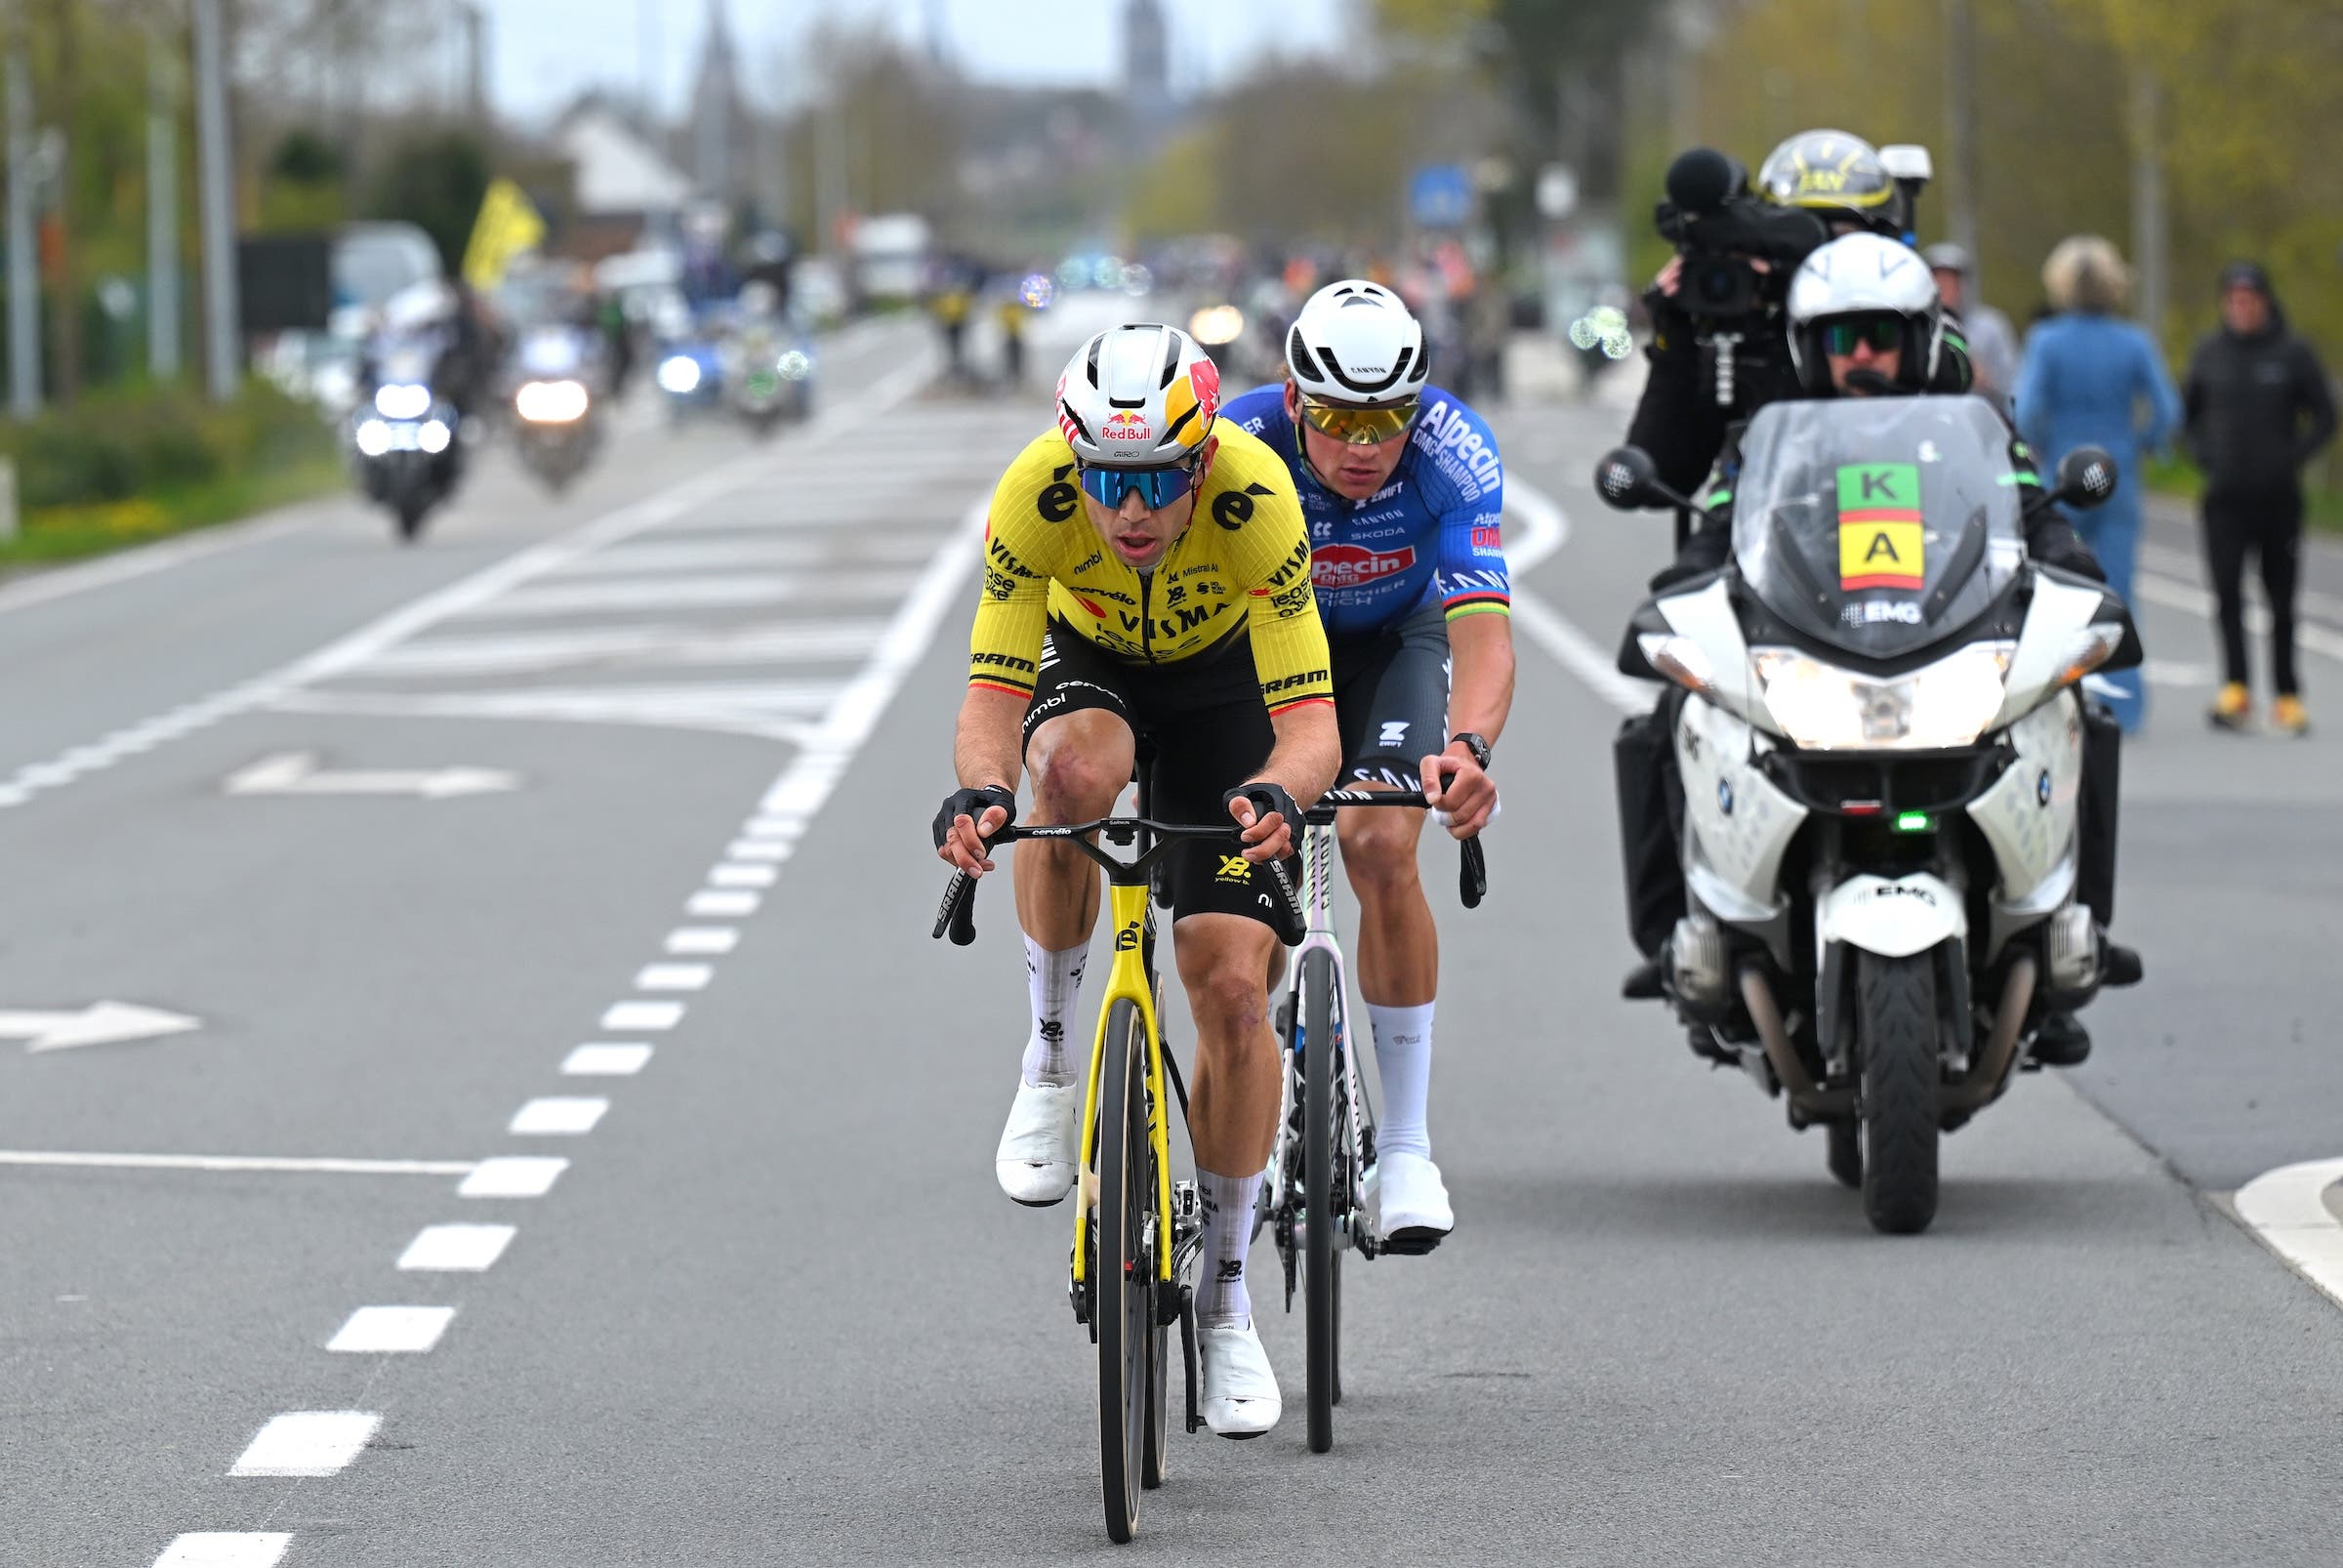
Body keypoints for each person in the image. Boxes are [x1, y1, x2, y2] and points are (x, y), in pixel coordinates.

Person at [935, 324, 1340, 1438]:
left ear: (1200, 459)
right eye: (1110, 480)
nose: (1132, 512)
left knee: (1231, 989)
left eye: (1158, 480)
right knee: (1062, 774)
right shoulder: (1035, 497)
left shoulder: (1258, 500)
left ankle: (1223, 1295)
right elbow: (993, 696)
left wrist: (1283, 794)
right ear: (1076, 459)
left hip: (1225, 690)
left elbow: (1310, 723)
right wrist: (980, 792)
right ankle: (1054, 1054)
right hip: (1094, 663)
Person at [1617, 233, 2130, 1064]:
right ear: (1808, 345)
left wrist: (2076, 576)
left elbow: (2038, 516)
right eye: (1840, 337)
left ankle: (2077, 935)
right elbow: (1715, 531)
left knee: (2082, 708)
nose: (1861, 355)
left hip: (1951, 641)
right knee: (1668, 713)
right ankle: (1675, 937)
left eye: (1881, 336)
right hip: (1809, 645)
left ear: (1920, 339)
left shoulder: (1983, 429)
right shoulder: (1763, 439)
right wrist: (1680, 594)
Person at [1221, 279, 1511, 1252]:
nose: (1362, 444)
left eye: (1387, 418)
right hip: (1263, 647)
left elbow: (1482, 634)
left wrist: (1468, 749)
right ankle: (1250, 1089)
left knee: (1382, 840)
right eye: (1340, 418)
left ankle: (1406, 1146)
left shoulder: (1453, 450)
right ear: (1295, 399)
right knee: (1239, 868)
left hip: (1396, 640)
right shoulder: (1235, 443)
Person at [1626, 129, 1970, 499]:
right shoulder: (1744, 334)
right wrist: (1676, 337)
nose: (1819, 266)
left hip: (1913, 532)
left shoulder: (1907, 324)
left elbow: (1955, 367)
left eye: (1838, 240)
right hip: (1771, 544)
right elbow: (1662, 478)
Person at [2011, 235, 2182, 734]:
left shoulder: (2047, 341)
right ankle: (2123, 709)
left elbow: (2025, 405)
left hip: (2063, 474)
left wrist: (2040, 444)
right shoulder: (2134, 341)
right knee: (2120, 589)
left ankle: (2061, 700)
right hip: (2118, 473)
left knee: (2055, 588)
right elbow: (2168, 410)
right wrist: (2139, 442)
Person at [2183, 261, 2337, 735]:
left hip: (2278, 499)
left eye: (2249, 299)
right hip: (2225, 498)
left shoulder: (2292, 352)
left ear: (2265, 301)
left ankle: (2287, 694)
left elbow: (2327, 416)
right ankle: (2236, 688)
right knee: (2227, 594)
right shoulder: (2209, 352)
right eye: (2233, 299)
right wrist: (2204, 456)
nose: (2241, 307)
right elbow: (2184, 416)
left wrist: (2294, 456)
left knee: (2282, 600)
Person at [1924, 243, 2019, 398]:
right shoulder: (1918, 326)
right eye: (1938, 280)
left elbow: (2014, 385)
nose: (1943, 288)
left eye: (1950, 281)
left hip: (1979, 416)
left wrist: (1985, 379)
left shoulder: (1992, 327)